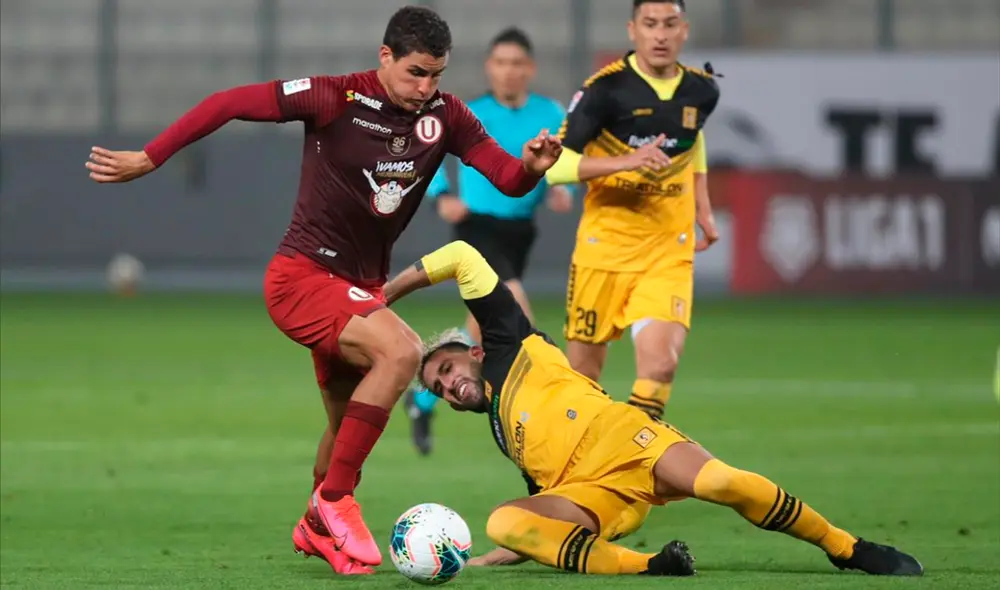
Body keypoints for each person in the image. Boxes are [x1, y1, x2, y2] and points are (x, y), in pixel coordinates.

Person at [84, 5, 562, 575]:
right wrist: (150, 156)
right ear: (384, 57)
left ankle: (315, 524)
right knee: (405, 352)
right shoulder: (335, 98)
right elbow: (228, 103)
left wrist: (532, 167)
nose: (425, 87)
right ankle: (335, 502)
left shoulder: (447, 115)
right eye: (415, 72)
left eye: (436, 74)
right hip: (302, 279)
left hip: (361, 291)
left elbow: (507, 178)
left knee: (344, 429)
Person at [382, 240, 923, 577]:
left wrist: (386, 295)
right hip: (594, 493)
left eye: (448, 369)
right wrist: (494, 553)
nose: (449, 385)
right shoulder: (505, 435)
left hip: (626, 437)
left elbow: (460, 256)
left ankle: (846, 547)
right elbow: (541, 517)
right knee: (502, 522)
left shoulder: (508, 342)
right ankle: (651, 568)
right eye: (438, 387)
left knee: (720, 485)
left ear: (472, 352)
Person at [404, 27, 574, 456]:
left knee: (483, 324)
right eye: (501, 63)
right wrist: (442, 196)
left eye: (517, 63)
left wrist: (563, 189)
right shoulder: (471, 111)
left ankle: (423, 398)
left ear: (530, 68)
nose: (509, 71)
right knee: (515, 314)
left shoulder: (549, 112)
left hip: (520, 232)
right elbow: (427, 152)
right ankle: (536, 420)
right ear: (489, 67)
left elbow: (562, 162)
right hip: (477, 229)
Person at [546, 0, 719, 420]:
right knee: (583, 379)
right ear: (632, 30)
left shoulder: (703, 89)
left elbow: (691, 140)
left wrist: (704, 206)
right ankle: (581, 471)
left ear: (684, 30)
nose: (660, 34)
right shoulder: (603, 91)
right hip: (604, 249)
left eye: (669, 24)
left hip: (667, 249)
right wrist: (626, 161)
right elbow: (555, 167)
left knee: (661, 365)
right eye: (650, 24)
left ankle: (634, 458)